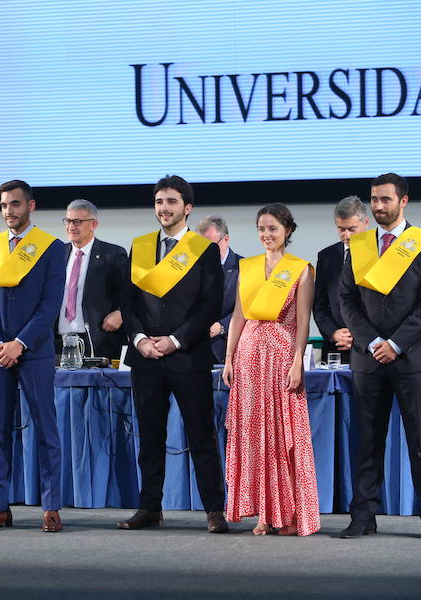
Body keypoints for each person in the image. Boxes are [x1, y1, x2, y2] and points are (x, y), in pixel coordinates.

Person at [339, 173, 421, 540]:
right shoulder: (358, 245)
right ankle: (363, 517)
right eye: (374, 199)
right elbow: (348, 301)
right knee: (368, 440)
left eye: (385, 199)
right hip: (369, 359)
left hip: (414, 359)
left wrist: (397, 343)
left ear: (404, 201)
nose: (378, 206)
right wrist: (372, 342)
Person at [118, 175, 228, 533]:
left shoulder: (204, 249)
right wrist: (140, 340)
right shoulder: (140, 246)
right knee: (149, 437)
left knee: (201, 436)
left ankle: (214, 509)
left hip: (187, 356)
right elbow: (129, 302)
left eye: (171, 202)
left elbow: (210, 305)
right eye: (159, 201)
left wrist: (176, 340)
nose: (163, 208)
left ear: (187, 208)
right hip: (146, 358)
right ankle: (149, 507)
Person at [0, 180, 66, 532]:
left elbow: (50, 304)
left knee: (46, 429)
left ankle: (51, 506)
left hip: (35, 352)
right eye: (4, 205)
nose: (9, 211)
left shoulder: (51, 248)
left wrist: (20, 343)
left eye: (15, 204)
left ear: (31, 206)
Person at [222, 204, 320, 536]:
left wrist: (297, 362)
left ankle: (290, 514)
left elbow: (304, 320)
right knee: (254, 436)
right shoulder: (246, 267)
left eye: (273, 228)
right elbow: (238, 316)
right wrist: (229, 357)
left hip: (281, 355)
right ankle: (264, 513)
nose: (266, 235)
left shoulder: (301, 269)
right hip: (248, 357)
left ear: (288, 231)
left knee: (282, 435)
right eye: (262, 229)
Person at [56, 199, 129, 360]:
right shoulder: (57, 253)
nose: (71, 227)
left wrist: (121, 313)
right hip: (60, 341)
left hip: (98, 338)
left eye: (77, 221)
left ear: (94, 224)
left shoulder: (113, 254)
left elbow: (130, 292)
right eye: (67, 221)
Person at [313, 196, 370, 365]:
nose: (346, 236)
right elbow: (319, 305)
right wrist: (333, 333)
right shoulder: (326, 256)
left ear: (366, 223)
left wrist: (360, 335)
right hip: (335, 348)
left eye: (352, 229)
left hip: (370, 348)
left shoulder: (381, 254)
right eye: (341, 229)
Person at [197, 215, 242, 365]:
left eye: (210, 246)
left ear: (226, 239)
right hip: (195, 349)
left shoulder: (244, 267)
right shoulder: (191, 269)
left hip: (229, 349)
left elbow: (248, 308)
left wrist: (222, 326)